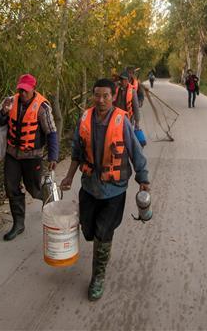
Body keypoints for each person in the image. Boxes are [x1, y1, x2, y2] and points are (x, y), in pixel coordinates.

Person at [60, 79, 149, 301]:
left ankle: (97, 277)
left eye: (106, 96)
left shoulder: (122, 120)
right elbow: (76, 152)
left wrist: (143, 179)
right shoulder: (84, 118)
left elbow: (135, 151)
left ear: (113, 96)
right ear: (93, 96)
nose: (101, 100)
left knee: (103, 233)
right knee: (88, 230)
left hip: (114, 190)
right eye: (97, 95)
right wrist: (69, 176)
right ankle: (100, 245)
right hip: (89, 186)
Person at [0, 74, 58, 241]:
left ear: (33, 89)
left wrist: (53, 156)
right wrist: (3, 111)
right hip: (12, 155)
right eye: (20, 89)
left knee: (35, 189)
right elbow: (0, 122)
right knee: (11, 188)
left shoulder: (42, 107)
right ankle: (18, 224)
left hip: (32, 156)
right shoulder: (10, 101)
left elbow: (51, 133)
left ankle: (51, 200)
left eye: (25, 90)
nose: (22, 93)